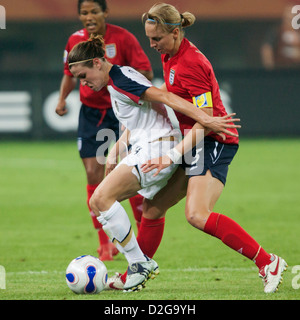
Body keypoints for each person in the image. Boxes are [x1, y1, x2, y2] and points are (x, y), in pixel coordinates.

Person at [108, 3, 287, 294]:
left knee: (197, 214)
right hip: (192, 141)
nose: (152, 45)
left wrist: (171, 156)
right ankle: (137, 271)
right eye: (149, 39)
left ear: (176, 32)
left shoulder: (191, 63)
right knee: (152, 210)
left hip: (214, 141)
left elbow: (206, 122)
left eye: (157, 39)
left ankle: (268, 262)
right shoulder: (170, 56)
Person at [67, 32, 240, 291]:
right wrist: (117, 148)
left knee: (101, 200)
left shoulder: (122, 79)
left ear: (97, 63)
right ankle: (138, 264)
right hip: (149, 146)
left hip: (157, 149)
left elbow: (167, 98)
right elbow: (141, 115)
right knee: (145, 208)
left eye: (83, 76)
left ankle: (138, 263)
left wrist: (206, 119)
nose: (83, 84)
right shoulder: (118, 80)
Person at [55, 0, 153, 261]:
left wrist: (130, 91)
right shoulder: (74, 41)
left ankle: (143, 234)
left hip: (121, 110)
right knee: (92, 172)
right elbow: (68, 73)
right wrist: (63, 99)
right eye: (84, 12)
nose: (89, 16)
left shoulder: (123, 38)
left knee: (132, 169)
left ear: (105, 13)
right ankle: (105, 242)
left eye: (94, 11)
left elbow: (145, 70)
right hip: (92, 113)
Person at [261, 4, 300, 69]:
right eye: (287, 18)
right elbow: (267, 48)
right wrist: (270, 68)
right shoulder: (277, 31)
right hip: (282, 68)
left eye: (292, 17)